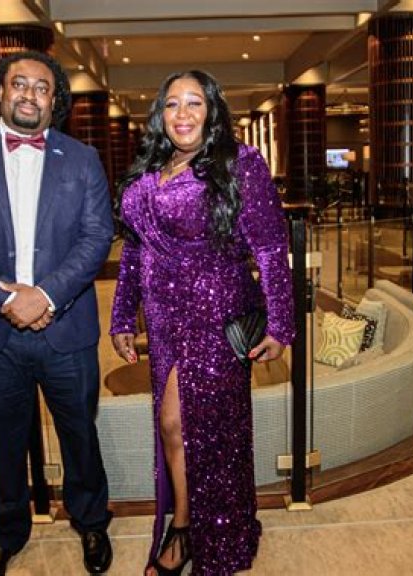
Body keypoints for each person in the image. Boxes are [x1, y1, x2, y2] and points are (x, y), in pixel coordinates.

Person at [0, 50, 114, 576]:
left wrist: (45, 296)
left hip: (67, 328)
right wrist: (7, 299)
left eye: (41, 87)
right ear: (0, 91)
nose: (29, 95)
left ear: (54, 101)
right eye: (20, 84)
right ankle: (7, 535)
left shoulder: (83, 159)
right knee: (4, 440)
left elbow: (96, 237)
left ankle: (91, 522)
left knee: (80, 434)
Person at [110, 70, 295, 575]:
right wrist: (123, 315)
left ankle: (195, 529)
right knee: (175, 427)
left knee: (199, 429)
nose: (183, 113)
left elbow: (270, 248)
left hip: (216, 315)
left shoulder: (240, 164)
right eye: (172, 104)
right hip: (163, 322)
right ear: (160, 114)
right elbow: (135, 252)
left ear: (212, 111)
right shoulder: (151, 166)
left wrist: (280, 325)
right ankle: (193, 524)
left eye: (195, 102)